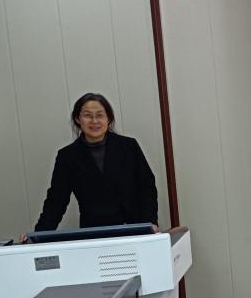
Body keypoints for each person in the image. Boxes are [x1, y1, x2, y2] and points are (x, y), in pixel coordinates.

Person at [32, 93, 158, 232]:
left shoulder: (129, 146)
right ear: (77, 118)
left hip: (133, 228)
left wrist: (150, 222)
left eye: (100, 115)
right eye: (87, 115)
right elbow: (56, 200)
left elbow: (147, 186)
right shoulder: (67, 156)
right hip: (94, 232)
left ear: (108, 118)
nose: (94, 121)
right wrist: (38, 235)